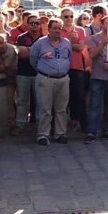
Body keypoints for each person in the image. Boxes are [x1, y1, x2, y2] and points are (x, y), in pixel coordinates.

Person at [30, 17, 73, 146]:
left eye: (59, 28)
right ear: (48, 29)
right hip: (45, 79)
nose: (57, 31)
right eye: (54, 28)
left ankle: (60, 134)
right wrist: (43, 69)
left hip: (63, 79)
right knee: (45, 109)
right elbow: (33, 59)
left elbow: (69, 58)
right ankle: (43, 134)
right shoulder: (40, 43)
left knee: (61, 109)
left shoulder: (66, 43)